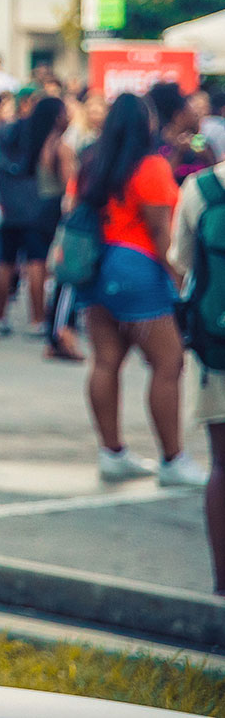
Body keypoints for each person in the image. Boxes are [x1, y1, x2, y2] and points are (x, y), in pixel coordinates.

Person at [74, 93, 206, 487]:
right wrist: (182, 279)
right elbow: (161, 231)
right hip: (137, 268)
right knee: (169, 364)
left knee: (105, 361)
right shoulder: (150, 167)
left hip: (95, 265)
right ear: (144, 125)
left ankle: (111, 452)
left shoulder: (91, 163)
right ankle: (172, 459)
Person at [168, 143, 225, 593]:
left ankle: (222, 586)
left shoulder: (203, 187)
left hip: (217, 348)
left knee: (222, 466)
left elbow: (181, 261)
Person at [0, 95, 71, 340]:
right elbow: (67, 182)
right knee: (36, 262)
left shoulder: (13, 135)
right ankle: (37, 318)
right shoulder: (53, 143)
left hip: (10, 208)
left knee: (5, 262)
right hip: (39, 211)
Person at [149, 79, 221, 186]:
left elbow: (217, 178)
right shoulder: (155, 147)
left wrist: (205, 154)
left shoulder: (199, 143)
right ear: (179, 116)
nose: (196, 115)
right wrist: (179, 153)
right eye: (189, 108)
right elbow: (158, 182)